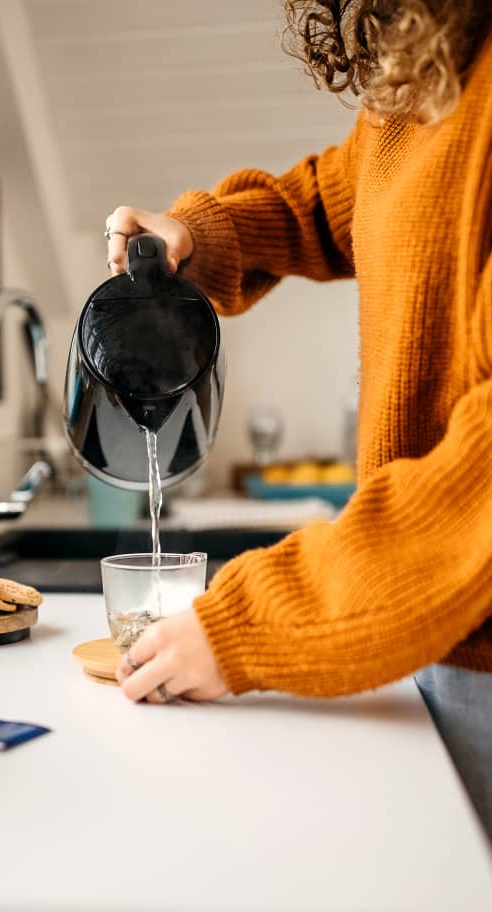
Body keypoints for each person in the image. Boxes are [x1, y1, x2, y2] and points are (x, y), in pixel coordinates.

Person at [104, 0, 492, 837]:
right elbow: (329, 200)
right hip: (425, 638)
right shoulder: (424, 69)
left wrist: (252, 624)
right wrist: (202, 235)